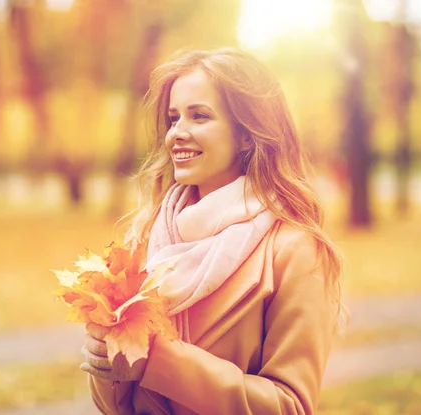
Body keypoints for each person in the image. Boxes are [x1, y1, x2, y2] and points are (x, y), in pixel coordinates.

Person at [79, 47, 343, 415]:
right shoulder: (147, 234)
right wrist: (106, 364)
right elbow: (118, 406)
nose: (176, 134)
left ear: (248, 134)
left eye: (199, 116)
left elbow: (289, 406)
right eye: (173, 118)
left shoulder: (293, 251)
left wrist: (157, 361)